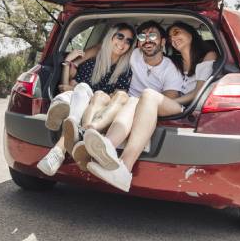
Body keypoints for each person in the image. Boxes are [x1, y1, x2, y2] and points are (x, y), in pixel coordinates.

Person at [83, 21, 218, 191]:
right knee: (134, 100)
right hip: (144, 103)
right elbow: (105, 48)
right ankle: (106, 148)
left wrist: (148, 102)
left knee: (147, 95)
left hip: (183, 106)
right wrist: (74, 60)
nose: (174, 38)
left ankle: (125, 167)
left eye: (177, 33)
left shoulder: (204, 56)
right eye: (171, 36)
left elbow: (198, 93)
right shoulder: (169, 59)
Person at [37, 23, 135, 176]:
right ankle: (66, 116)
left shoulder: (126, 69)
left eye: (128, 41)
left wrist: (82, 92)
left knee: (79, 93)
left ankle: (58, 150)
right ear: (111, 37)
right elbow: (65, 85)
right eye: (120, 37)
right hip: (81, 101)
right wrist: (67, 63)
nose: (123, 43)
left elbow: (118, 99)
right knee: (80, 89)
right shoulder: (93, 61)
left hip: (100, 109)